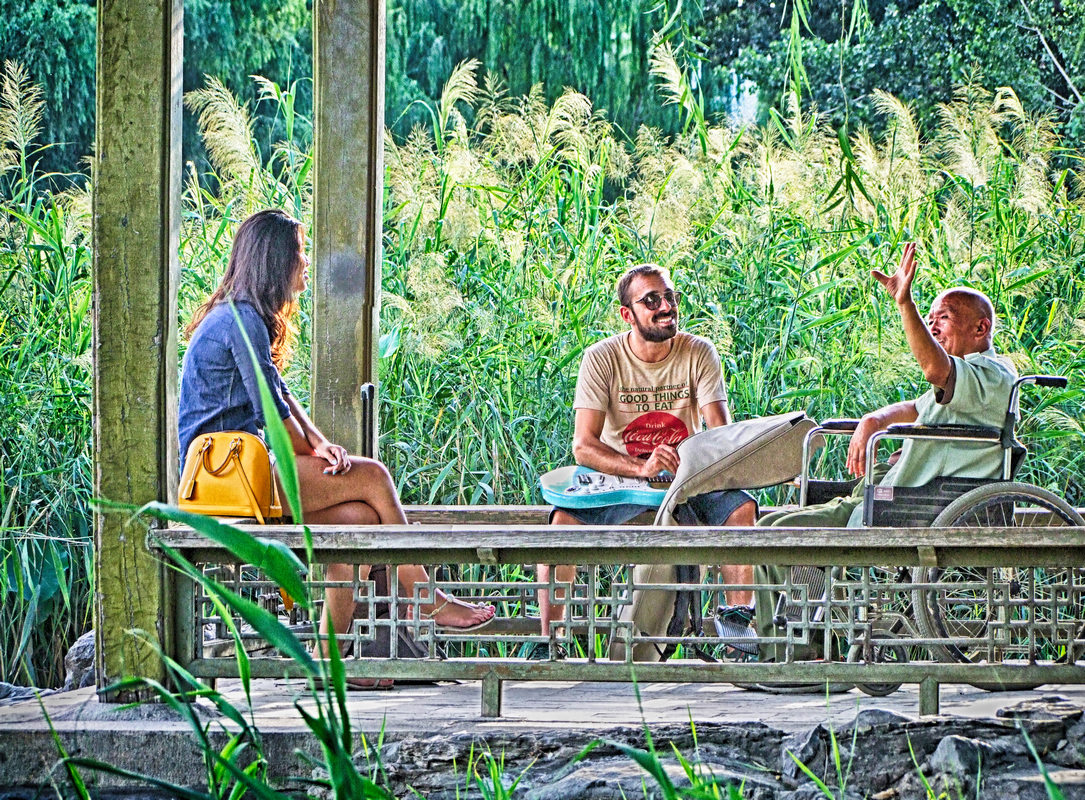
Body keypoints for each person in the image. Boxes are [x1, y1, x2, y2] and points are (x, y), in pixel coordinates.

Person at [178, 209, 494, 686]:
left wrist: (322, 444)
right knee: (374, 476)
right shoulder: (241, 321)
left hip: (244, 472)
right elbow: (276, 426)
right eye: (300, 253)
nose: (306, 262)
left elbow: (281, 395)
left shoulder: (241, 316)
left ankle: (329, 663)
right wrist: (315, 453)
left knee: (360, 521)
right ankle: (425, 598)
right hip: (230, 480)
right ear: (274, 261)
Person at [751, 243, 1017, 658]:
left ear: (980, 328)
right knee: (772, 522)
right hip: (887, 492)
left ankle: (793, 655)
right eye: (930, 319)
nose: (933, 327)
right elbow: (915, 407)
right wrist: (873, 419)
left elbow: (933, 368)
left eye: (943, 319)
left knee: (771, 535)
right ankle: (803, 644)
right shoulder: (963, 382)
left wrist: (905, 303)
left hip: (912, 504)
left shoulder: (991, 375)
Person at [536, 263, 758, 657]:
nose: (666, 307)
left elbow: (721, 434)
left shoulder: (698, 351)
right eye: (651, 301)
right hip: (621, 480)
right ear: (627, 314)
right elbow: (583, 446)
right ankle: (550, 642)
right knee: (560, 524)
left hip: (685, 479)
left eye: (670, 297)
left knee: (741, 509)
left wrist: (729, 462)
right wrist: (640, 467)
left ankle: (738, 631)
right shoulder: (602, 357)